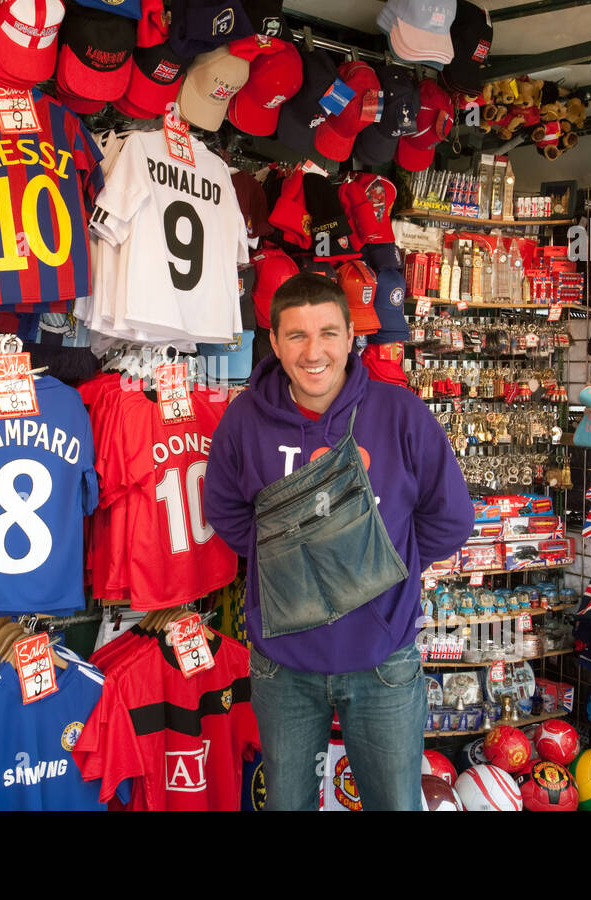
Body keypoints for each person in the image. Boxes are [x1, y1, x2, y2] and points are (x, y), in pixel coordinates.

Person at [204, 272, 474, 810]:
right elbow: (226, 512)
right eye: (296, 336)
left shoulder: (401, 414)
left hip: (383, 656)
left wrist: (377, 564)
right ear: (274, 342)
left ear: (353, 335)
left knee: (395, 803)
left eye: (328, 333)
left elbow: (450, 520)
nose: (313, 352)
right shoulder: (242, 421)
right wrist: (288, 562)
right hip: (282, 662)